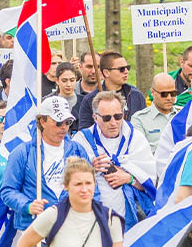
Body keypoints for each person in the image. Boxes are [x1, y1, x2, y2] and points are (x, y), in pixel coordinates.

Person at [0, 96, 91, 247]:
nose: (64, 128)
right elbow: (7, 190)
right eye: (58, 123)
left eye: (68, 123)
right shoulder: (23, 153)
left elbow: (91, 187)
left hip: (71, 230)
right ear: (42, 121)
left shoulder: (77, 149)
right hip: (36, 231)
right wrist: (28, 205)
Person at [73, 91, 156, 228]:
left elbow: (151, 184)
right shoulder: (82, 141)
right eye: (107, 118)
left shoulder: (135, 138)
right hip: (93, 220)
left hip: (130, 220)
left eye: (118, 116)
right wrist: (89, 168)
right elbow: (68, 181)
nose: (113, 123)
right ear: (95, 117)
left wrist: (129, 178)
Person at [76, 51, 145, 131]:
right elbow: (85, 133)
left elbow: (145, 126)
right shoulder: (90, 100)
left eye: (127, 68)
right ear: (106, 72)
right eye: (121, 69)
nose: (126, 71)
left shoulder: (136, 95)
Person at [131, 72, 178, 154]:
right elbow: (140, 151)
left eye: (173, 93)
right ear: (152, 93)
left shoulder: (183, 116)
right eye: (164, 94)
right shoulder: (139, 119)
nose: (169, 98)